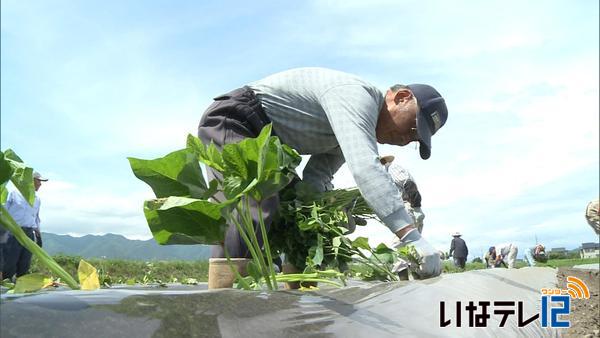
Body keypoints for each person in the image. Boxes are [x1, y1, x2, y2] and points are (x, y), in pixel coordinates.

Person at [197, 67, 448, 286]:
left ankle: (292, 306)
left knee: (299, 214)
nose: (405, 140)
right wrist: (409, 234)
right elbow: (365, 168)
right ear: (402, 98)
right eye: (413, 128)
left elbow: (315, 180)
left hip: (270, 147)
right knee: (254, 202)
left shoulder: (352, 130)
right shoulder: (356, 96)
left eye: (414, 141)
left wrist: (332, 212)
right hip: (235, 120)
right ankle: (226, 301)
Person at [1, 171, 48, 280]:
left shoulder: (37, 199)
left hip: (28, 233)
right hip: (13, 232)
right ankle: (5, 287)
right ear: (31, 181)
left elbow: (35, 218)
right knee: (10, 263)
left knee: (25, 263)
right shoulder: (14, 194)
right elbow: (3, 211)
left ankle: (21, 288)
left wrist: (38, 235)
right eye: (39, 181)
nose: (40, 184)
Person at [380, 155, 425, 234]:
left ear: (384, 161)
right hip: (406, 207)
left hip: (408, 207)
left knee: (404, 241)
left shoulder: (392, 168)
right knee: (413, 241)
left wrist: (416, 208)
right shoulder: (387, 173)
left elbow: (408, 184)